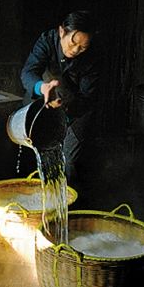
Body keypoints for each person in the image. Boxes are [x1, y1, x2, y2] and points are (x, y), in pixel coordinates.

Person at [20, 10, 102, 187]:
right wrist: (42, 87)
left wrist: (65, 106)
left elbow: (87, 97)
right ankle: (35, 197)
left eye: (82, 47)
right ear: (62, 31)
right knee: (33, 148)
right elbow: (28, 72)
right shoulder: (47, 40)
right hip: (44, 98)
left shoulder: (92, 56)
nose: (75, 50)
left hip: (76, 108)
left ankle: (67, 203)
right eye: (73, 43)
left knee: (69, 159)